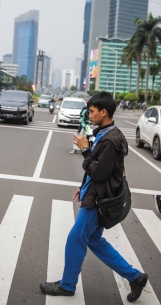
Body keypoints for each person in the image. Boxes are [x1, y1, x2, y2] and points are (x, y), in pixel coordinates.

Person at [40, 92, 148, 302]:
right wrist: (83, 187)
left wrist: (85, 150)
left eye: (91, 111)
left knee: (75, 239)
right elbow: (98, 171)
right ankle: (135, 277)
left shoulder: (110, 140)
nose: (88, 115)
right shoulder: (106, 132)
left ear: (103, 112)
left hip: (99, 200)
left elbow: (99, 172)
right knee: (95, 241)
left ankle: (67, 285)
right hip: (95, 194)